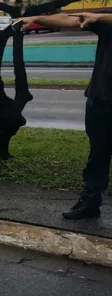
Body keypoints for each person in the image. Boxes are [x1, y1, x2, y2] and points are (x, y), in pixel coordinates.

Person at [22, 12, 112, 219]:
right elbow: (69, 20)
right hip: (100, 100)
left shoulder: (103, 20)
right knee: (97, 156)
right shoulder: (105, 24)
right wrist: (36, 19)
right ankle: (89, 203)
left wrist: (99, 18)